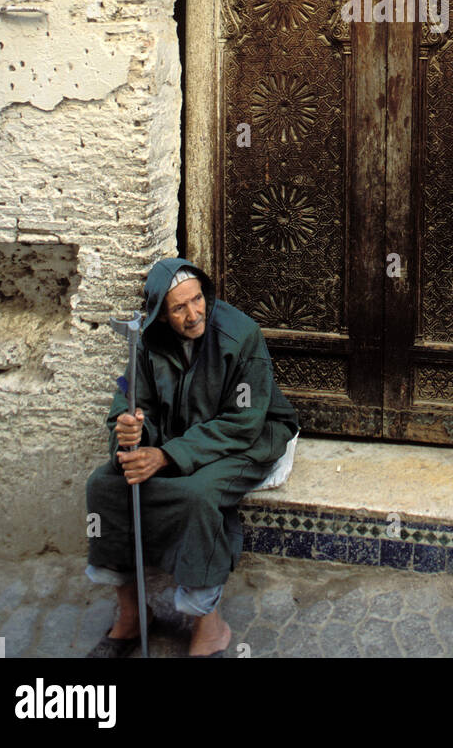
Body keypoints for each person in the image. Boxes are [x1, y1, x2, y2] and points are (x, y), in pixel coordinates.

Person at [84, 256, 299, 658]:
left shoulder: (240, 335)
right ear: (161, 316)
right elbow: (128, 398)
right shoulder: (146, 342)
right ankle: (132, 616)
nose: (193, 313)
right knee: (105, 486)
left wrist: (165, 456)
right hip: (179, 436)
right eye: (179, 308)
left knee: (198, 494)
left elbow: (243, 420)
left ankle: (210, 627)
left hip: (251, 435)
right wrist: (130, 433)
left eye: (197, 299)